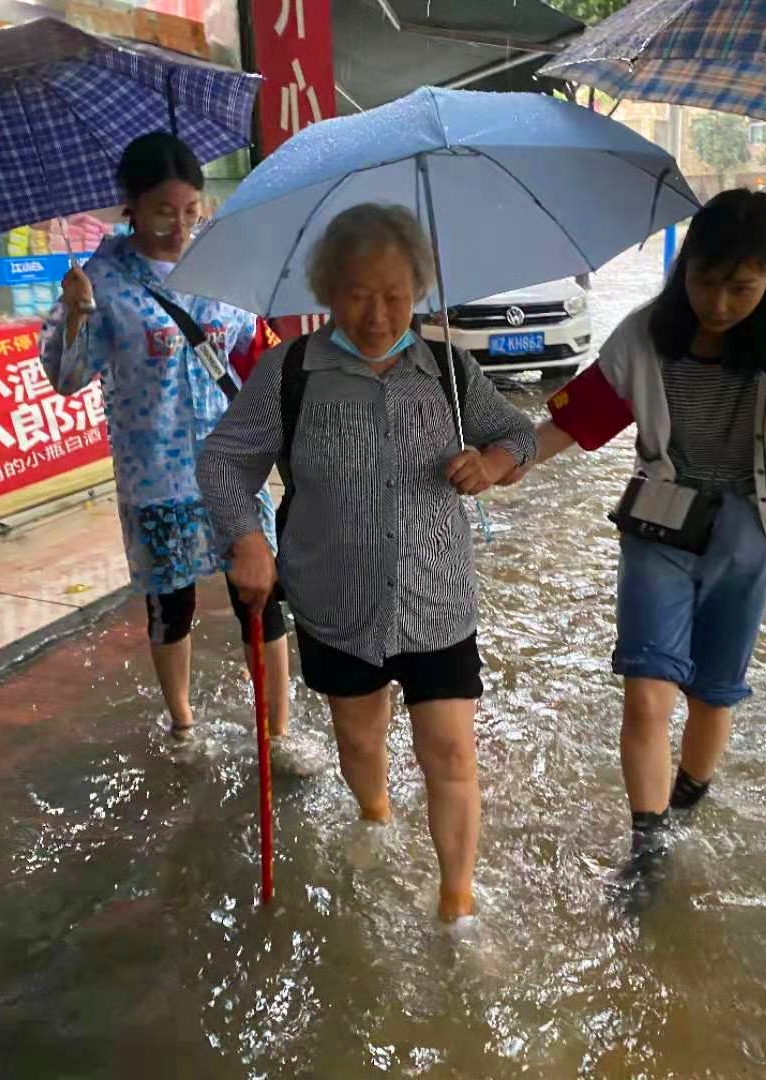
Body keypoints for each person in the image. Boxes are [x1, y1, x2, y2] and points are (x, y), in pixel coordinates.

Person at [197, 203, 536, 922]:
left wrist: (495, 460)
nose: (378, 313)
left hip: (435, 596)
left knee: (449, 753)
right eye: (358, 293)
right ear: (327, 290)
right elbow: (224, 462)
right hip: (334, 598)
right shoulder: (293, 372)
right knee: (358, 738)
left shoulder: (446, 367)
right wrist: (248, 541)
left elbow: (516, 431)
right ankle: (376, 815)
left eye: (395, 293)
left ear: (419, 287)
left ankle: (456, 902)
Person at [505, 190, 766, 907]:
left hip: (751, 535)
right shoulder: (644, 336)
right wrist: (503, 463)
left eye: (742, 289)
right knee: (647, 689)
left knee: (714, 693)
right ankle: (648, 848)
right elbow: (576, 421)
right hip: (660, 525)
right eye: (706, 281)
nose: (719, 303)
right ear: (684, 269)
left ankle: (688, 797)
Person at [39, 132, 299, 751]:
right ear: (129, 205)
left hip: (232, 468)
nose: (180, 226)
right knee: (170, 605)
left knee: (261, 598)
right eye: (164, 211)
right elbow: (67, 379)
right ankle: (183, 724)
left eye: (191, 210)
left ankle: (279, 731)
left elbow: (248, 351)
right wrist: (74, 314)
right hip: (153, 474)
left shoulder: (219, 263)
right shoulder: (100, 279)